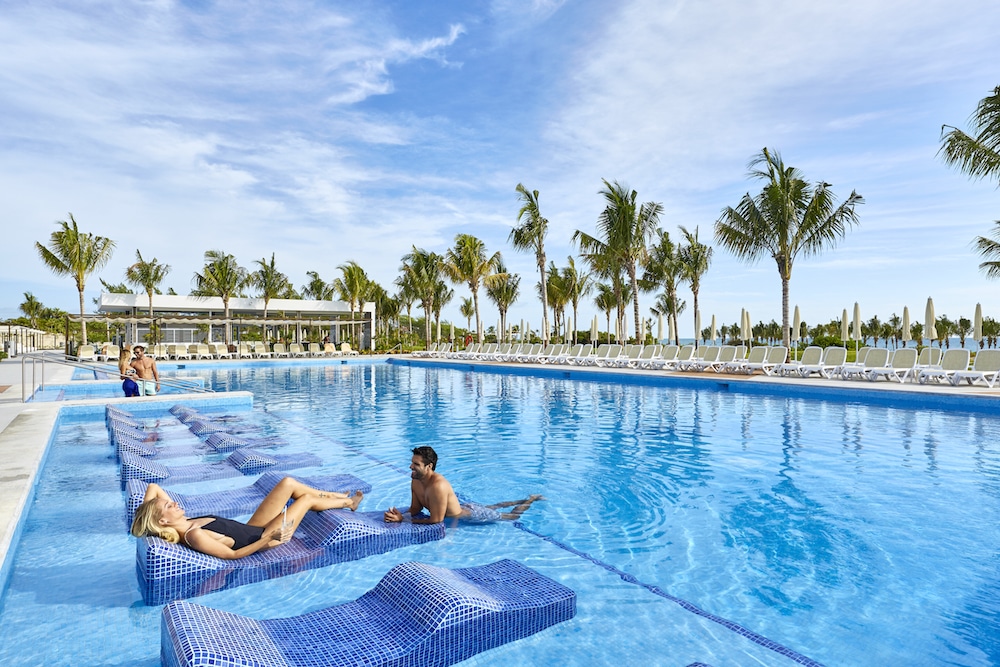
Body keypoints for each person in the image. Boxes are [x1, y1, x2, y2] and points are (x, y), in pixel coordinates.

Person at [130, 477, 364, 560]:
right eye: (169, 505)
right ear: (163, 522)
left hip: (252, 527)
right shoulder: (194, 534)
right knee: (304, 501)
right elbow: (233, 555)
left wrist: (145, 515)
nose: (173, 501)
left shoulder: (184, 520)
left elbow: (153, 487)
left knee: (287, 484)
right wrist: (269, 537)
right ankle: (349, 502)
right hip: (265, 538)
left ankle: (334, 495)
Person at [383, 446, 543, 525]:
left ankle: (530, 499)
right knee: (493, 506)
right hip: (466, 507)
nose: (411, 467)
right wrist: (400, 514)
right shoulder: (416, 480)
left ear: (429, 466)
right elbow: (416, 509)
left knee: (512, 517)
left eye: (416, 464)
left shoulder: (438, 486)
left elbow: (436, 520)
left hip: (472, 516)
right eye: (412, 463)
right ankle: (522, 499)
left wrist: (403, 520)